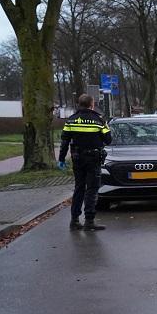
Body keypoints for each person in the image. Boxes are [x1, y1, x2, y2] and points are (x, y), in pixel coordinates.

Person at [58, 93, 112, 231]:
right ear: (92, 105)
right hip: (93, 159)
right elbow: (108, 140)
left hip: (77, 159)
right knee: (92, 189)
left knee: (79, 189)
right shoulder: (99, 121)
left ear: (79, 105)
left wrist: (61, 159)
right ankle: (89, 221)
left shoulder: (71, 120)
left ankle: (74, 220)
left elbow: (64, 142)